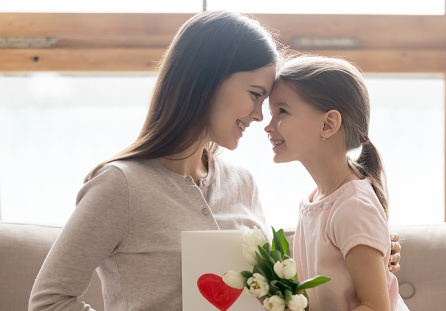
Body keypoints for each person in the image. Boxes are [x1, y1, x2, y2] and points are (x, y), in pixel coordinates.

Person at [30, 11, 400, 311]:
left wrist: (363, 251)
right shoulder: (120, 186)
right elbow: (49, 301)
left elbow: (273, 277)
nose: (260, 117)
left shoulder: (242, 183)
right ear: (205, 81)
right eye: (256, 95)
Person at [264, 56, 409, 310]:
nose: (268, 126)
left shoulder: (353, 206)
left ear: (328, 124)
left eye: (282, 112)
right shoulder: (315, 200)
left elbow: (376, 307)